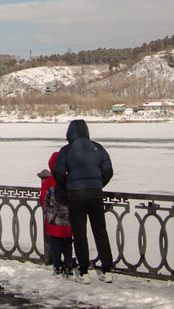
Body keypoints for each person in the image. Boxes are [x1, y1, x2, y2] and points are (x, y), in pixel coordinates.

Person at [54, 118, 114, 283]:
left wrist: (69, 187)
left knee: (80, 234)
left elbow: (58, 173)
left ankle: (84, 272)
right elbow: (108, 171)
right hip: (96, 195)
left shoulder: (66, 150)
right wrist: (98, 184)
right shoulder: (98, 148)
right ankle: (107, 270)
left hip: (76, 196)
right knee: (100, 231)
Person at [39, 150, 74, 277]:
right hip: (67, 219)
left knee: (55, 244)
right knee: (67, 243)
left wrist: (49, 212)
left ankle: (57, 265)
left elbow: (43, 200)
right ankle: (68, 265)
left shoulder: (48, 182)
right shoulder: (69, 180)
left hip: (53, 220)